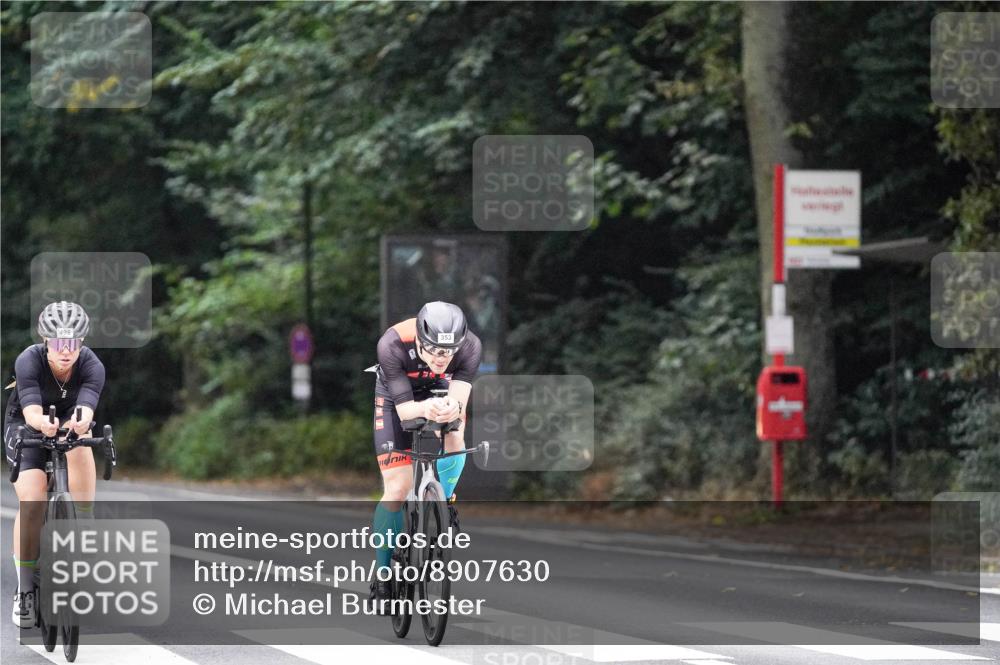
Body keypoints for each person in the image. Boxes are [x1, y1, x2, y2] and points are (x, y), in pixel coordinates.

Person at [368, 301, 481, 603]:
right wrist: (425, 409)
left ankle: (444, 500)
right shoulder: (392, 343)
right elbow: (406, 412)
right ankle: (382, 575)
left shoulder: (470, 347)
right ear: (419, 339)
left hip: (439, 390)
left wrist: (450, 409)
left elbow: (460, 399)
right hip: (397, 397)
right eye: (433, 350)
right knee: (397, 487)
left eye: (448, 352)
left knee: (455, 432)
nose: (441, 358)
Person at [4, 302, 105, 628]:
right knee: (32, 501)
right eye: (59, 343)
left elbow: (87, 407)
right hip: (26, 423)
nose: (66, 351)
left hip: (68, 422)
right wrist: (42, 424)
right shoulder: (28, 360)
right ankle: (26, 589)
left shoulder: (91, 365)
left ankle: (85, 519)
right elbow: (32, 410)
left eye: (73, 343)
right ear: (46, 341)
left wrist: (78, 421)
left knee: (82, 437)